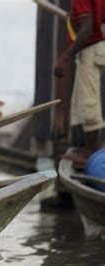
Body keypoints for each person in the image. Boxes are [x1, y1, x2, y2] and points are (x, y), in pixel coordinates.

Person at [54, 0, 105, 167]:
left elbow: (86, 30)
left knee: (88, 102)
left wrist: (64, 58)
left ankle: (91, 151)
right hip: (95, 47)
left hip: (91, 50)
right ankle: (89, 148)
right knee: (82, 98)